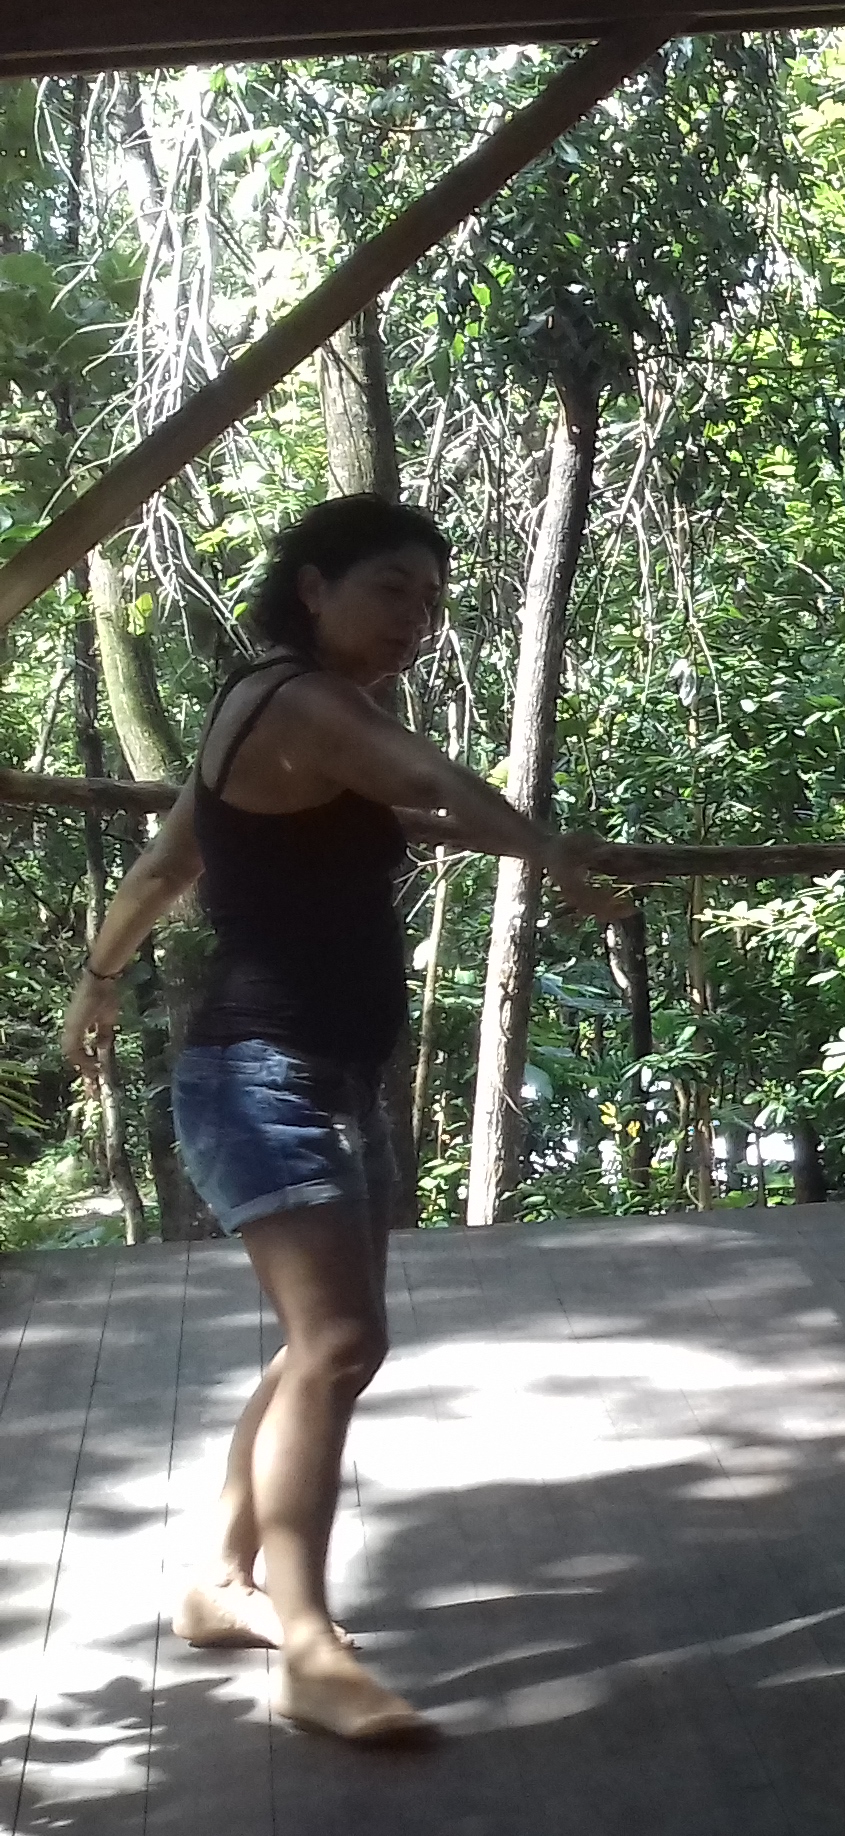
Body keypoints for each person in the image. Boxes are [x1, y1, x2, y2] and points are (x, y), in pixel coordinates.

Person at [61, 496, 628, 1745]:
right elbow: (431, 778)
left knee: (325, 1345)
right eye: (390, 589)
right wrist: (554, 857)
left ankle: (218, 1582)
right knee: (338, 1344)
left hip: (325, 1075)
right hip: (261, 1077)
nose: (416, 618)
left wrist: (97, 980)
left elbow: (167, 866)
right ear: (312, 587)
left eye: (430, 599)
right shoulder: (307, 704)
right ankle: (310, 1651)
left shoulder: (260, 706)